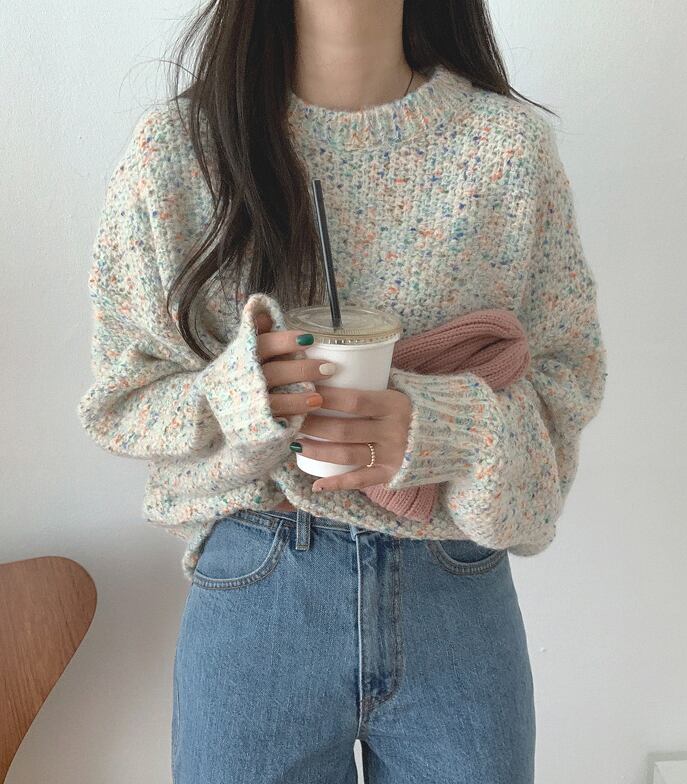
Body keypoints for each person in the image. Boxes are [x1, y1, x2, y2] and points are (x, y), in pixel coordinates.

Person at [77, 0, 607, 781]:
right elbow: (123, 402)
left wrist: (442, 429)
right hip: (258, 596)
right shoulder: (180, 153)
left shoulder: (509, 150)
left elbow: (565, 390)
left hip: (455, 597)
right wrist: (245, 395)